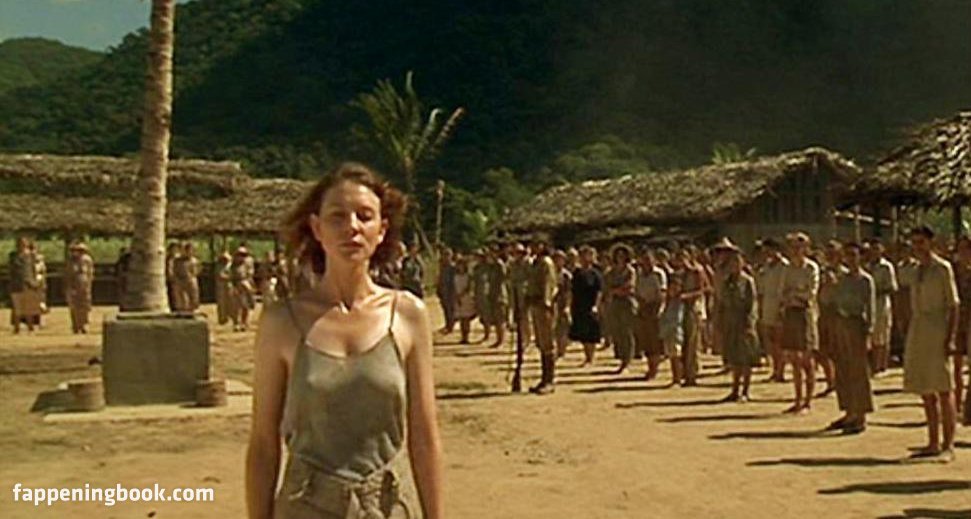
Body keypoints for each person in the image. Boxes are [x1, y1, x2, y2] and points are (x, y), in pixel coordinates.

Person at [247, 162, 442, 519]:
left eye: (364, 216)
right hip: (306, 506)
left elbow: (424, 435)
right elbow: (263, 442)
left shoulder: (407, 314)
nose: (352, 227)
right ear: (317, 228)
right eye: (337, 216)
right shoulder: (282, 321)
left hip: (386, 506)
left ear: (381, 230)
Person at [903, 226, 958, 460]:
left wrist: (950, 338)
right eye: (914, 242)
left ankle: (948, 444)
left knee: (944, 388)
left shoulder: (942, 268)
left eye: (921, 242)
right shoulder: (915, 271)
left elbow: (954, 305)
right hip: (919, 329)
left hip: (938, 328)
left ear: (930, 242)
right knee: (925, 389)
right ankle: (933, 442)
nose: (918, 247)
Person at [827, 241, 876, 435]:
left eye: (854, 255)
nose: (850, 259)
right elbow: (832, 301)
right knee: (843, 369)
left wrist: (869, 332)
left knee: (859, 371)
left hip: (857, 324)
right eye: (847, 255)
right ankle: (849, 412)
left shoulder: (865, 280)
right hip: (841, 323)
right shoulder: (841, 279)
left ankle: (861, 414)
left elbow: (870, 307)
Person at [778, 232, 820, 414]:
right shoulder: (787, 269)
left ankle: (808, 401)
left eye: (799, 247)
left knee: (807, 359)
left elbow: (811, 293)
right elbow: (783, 291)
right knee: (794, 359)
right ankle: (797, 399)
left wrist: (796, 295)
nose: (795, 251)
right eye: (793, 247)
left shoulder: (811, 268)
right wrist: (793, 295)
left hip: (806, 314)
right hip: (791, 313)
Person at [716, 245, 760, 402]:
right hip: (730, 322)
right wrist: (720, 321)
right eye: (731, 263)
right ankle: (734, 389)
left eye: (737, 262)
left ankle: (745, 391)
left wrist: (749, 323)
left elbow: (752, 303)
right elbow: (721, 302)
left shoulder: (747, 281)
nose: (734, 265)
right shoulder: (727, 282)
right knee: (734, 359)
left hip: (744, 323)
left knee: (746, 359)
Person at [526, 240, 558, 394]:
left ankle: (549, 380)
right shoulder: (535, 263)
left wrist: (546, 303)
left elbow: (548, 284)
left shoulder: (546, 263)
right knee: (541, 342)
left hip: (543, 306)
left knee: (547, 343)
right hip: (535, 305)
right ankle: (544, 378)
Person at [816, 240, 846, 396]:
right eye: (827, 254)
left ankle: (840, 382)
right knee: (822, 351)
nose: (829, 256)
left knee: (838, 351)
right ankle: (830, 381)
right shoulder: (821, 272)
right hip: (823, 312)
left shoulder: (845, 274)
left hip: (838, 314)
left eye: (832, 253)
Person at [865, 238, 898, 376]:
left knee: (882, 335)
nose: (874, 252)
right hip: (868, 305)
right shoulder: (866, 266)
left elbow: (893, 287)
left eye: (876, 249)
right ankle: (874, 365)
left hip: (882, 304)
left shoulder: (886, 267)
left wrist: (877, 291)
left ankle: (882, 365)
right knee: (872, 335)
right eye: (872, 249)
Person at [604, 243, 639, 375]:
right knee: (616, 332)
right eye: (618, 255)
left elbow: (629, 286)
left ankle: (627, 361)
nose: (620, 258)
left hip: (627, 303)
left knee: (627, 332)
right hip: (614, 304)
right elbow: (607, 287)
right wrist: (615, 291)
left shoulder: (630, 271)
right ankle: (620, 357)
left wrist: (616, 290)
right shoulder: (610, 272)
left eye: (623, 255)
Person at [758, 238, 789, 383]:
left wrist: (782, 308)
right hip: (767, 306)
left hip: (780, 306)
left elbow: (784, 287)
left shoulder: (785, 266)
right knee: (770, 341)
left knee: (779, 341)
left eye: (769, 250)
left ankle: (780, 370)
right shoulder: (766, 267)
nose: (767, 253)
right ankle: (775, 369)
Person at [635, 248, 667, 380]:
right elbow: (637, 291)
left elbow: (662, 292)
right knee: (646, 340)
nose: (646, 262)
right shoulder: (640, 275)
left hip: (655, 308)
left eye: (648, 259)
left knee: (655, 341)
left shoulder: (658, 274)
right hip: (643, 308)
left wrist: (657, 308)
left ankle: (655, 368)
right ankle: (650, 367)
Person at [569, 245, 604, 366]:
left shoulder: (596, 273)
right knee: (582, 331)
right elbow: (572, 289)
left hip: (591, 304)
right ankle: (587, 355)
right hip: (579, 305)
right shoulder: (576, 273)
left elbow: (599, 291)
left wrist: (596, 306)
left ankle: (591, 357)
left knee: (591, 332)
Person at [950, 237, 971, 418]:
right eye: (960, 249)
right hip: (957, 323)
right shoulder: (953, 272)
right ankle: (955, 405)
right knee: (955, 366)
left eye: (966, 249)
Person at [659, 276, 686, 386]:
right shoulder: (668, 303)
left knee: (676, 356)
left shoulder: (679, 302)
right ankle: (675, 377)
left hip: (675, 330)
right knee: (671, 356)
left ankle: (678, 378)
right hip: (667, 331)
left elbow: (678, 318)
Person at [64, 241, 95, 334]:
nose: (76, 252)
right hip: (73, 286)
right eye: (74, 250)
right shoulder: (70, 262)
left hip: (84, 285)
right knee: (74, 306)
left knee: (84, 306)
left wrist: (87, 284)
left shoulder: (87, 260)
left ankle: (83, 324)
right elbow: (68, 274)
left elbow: (90, 273)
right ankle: (76, 325)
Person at [483, 246, 509, 349]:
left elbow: (503, 278)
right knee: (496, 319)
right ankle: (498, 339)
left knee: (500, 319)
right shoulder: (491, 266)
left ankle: (501, 340)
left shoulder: (499, 264)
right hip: (493, 294)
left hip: (500, 295)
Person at [230, 246, 257, 331]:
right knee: (236, 307)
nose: (241, 257)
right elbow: (231, 277)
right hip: (236, 286)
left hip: (246, 286)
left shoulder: (247, 265)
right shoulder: (233, 266)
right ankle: (236, 323)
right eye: (240, 255)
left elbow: (250, 276)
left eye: (243, 255)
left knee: (245, 306)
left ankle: (244, 323)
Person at [552, 249, 573, 358]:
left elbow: (569, 291)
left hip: (563, 302)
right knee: (554, 328)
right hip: (552, 303)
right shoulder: (550, 273)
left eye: (560, 259)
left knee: (563, 328)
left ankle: (562, 349)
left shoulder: (566, 275)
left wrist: (568, 306)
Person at [452, 255, 476, 344]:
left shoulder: (468, 276)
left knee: (466, 318)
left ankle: (467, 336)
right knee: (461, 318)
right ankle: (462, 336)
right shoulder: (455, 276)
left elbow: (468, 287)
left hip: (466, 297)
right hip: (457, 297)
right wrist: (456, 296)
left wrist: (461, 294)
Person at [172, 241, 201, 312]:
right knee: (182, 299)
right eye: (188, 250)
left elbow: (197, 271)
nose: (190, 252)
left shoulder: (194, 260)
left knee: (194, 297)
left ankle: (192, 310)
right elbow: (175, 271)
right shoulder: (177, 261)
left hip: (191, 280)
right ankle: (184, 311)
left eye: (191, 250)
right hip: (181, 281)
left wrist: (192, 275)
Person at [435, 248, 457, 335]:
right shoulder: (442, 267)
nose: (445, 257)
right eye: (444, 255)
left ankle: (450, 326)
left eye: (447, 255)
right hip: (443, 290)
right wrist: (438, 288)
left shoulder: (453, 267)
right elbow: (439, 278)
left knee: (450, 309)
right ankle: (447, 324)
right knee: (445, 308)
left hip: (450, 291)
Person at [214, 250, 233, 326]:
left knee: (230, 301)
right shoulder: (219, 266)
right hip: (221, 285)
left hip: (229, 285)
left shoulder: (231, 265)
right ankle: (222, 318)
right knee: (221, 302)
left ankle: (229, 317)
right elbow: (219, 275)